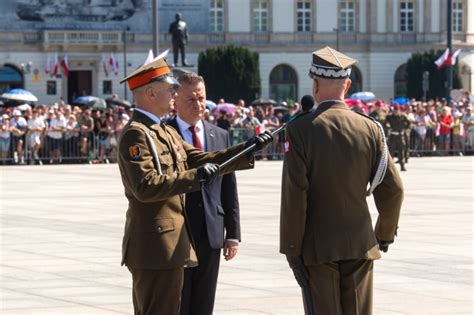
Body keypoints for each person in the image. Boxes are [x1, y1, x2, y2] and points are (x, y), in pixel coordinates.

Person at [117, 56, 273, 314]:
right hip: (154, 248)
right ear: (151, 92)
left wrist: (248, 148)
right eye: (170, 89)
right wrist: (197, 176)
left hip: (170, 246)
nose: (174, 94)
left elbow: (202, 158)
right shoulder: (137, 133)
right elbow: (145, 186)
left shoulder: (162, 131)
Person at [280, 46, 404, 315]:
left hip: (317, 245)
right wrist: (382, 234)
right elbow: (393, 190)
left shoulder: (300, 129)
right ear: (347, 85)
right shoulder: (370, 128)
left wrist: (292, 248)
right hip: (360, 243)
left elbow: (295, 194)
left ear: (314, 84)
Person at [167, 72, 241, 315]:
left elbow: (229, 186)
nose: (199, 104)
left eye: (202, 98)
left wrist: (233, 233)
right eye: (191, 99)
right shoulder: (163, 134)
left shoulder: (219, 135)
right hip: (178, 231)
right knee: (179, 300)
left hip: (211, 231)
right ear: (175, 100)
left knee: (204, 301)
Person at [386, 104, 410, 171]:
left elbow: (408, 123)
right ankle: (390, 167)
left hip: (400, 136)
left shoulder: (402, 116)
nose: (396, 111)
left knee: (401, 151)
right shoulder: (389, 117)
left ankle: (402, 165)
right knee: (391, 152)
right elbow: (385, 123)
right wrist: (388, 127)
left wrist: (405, 129)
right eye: (395, 109)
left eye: (397, 109)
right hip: (393, 136)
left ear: (399, 109)